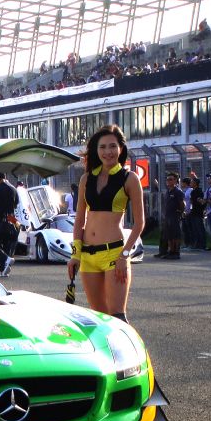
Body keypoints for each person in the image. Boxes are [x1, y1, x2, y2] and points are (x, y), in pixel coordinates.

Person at [67, 125, 145, 324]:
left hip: (114, 254)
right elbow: (79, 220)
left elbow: (139, 223)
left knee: (117, 318)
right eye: (102, 147)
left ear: (121, 148)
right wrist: (75, 254)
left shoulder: (130, 178)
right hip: (88, 256)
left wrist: (124, 255)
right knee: (99, 319)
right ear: (96, 150)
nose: (107, 152)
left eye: (112, 146)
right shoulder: (86, 179)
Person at [160, 172, 183, 260]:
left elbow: (182, 204)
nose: (168, 181)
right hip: (168, 215)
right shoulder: (168, 191)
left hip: (175, 215)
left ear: (175, 181)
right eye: (167, 179)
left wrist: (180, 212)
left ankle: (176, 252)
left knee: (175, 235)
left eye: (170, 179)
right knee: (169, 234)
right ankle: (171, 251)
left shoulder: (178, 191)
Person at [189, 177, 207, 250]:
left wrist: (202, 210)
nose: (190, 183)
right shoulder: (193, 191)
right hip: (194, 212)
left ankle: (202, 245)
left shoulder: (198, 191)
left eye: (192, 182)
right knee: (195, 229)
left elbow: (202, 202)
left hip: (198, 212)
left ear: (195, 183)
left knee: (199, 229)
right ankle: (197, 244)